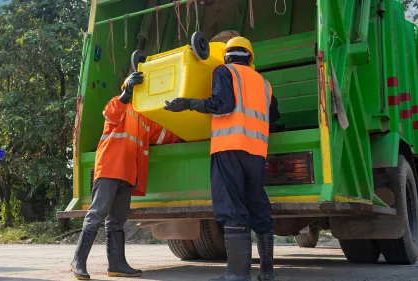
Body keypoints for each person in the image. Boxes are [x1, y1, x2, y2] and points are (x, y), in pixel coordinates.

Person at [164, 36, 280, 281]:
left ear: (226, 55)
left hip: (228, 147)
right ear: (250, 57)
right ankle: (267, 273)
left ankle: (237, 274)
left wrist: (188, 103)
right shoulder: (264, 83)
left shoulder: (224, 71)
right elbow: (274, 115)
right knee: (258, 206)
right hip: (257, 151)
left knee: (231, 207)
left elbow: (223, 104)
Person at [70, 71, 180, 280]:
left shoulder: (146, 118)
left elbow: (167, 135)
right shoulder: (118, 104)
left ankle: (117, 265)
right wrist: (125, 94)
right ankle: (78, 261)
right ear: (127, 88)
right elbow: (111, 113)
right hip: (110, 169)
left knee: (117, 220)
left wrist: (177, 112)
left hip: (128, 174)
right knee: (97, 214)